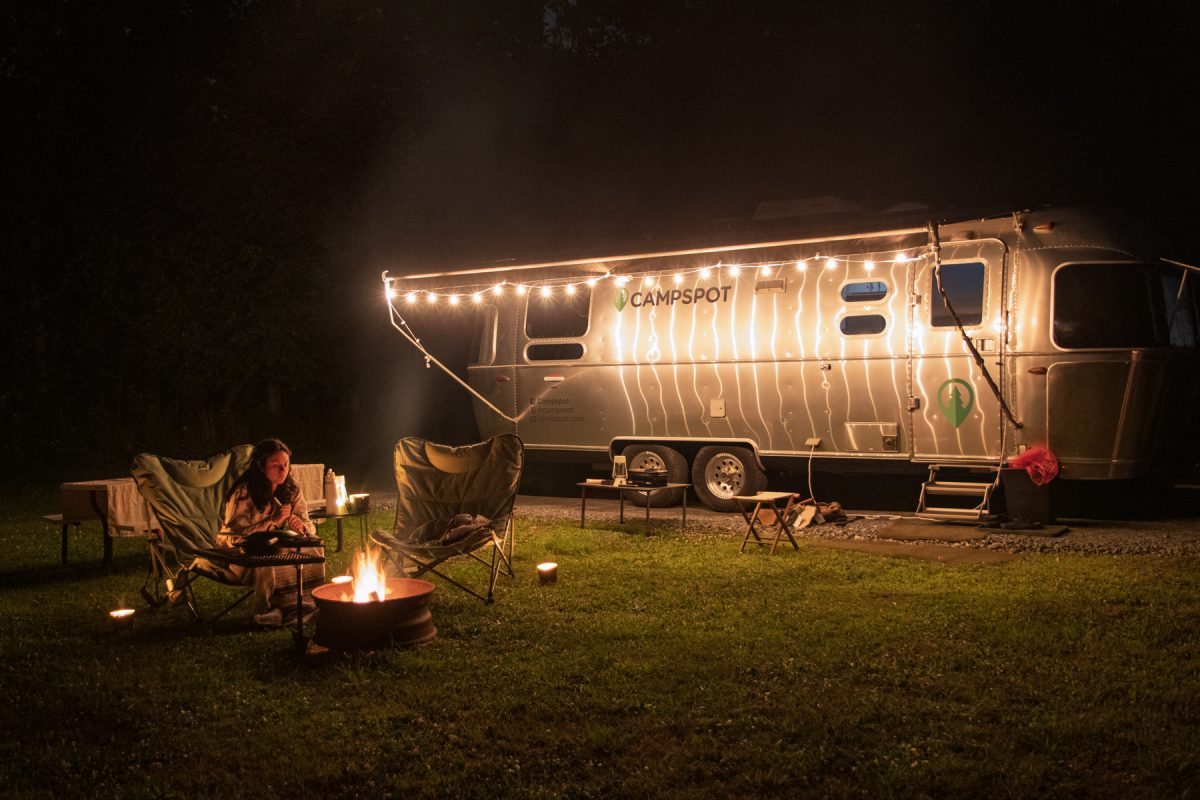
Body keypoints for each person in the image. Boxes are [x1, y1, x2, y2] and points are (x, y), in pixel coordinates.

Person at [219, 438, 325, 627]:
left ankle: (305, 605)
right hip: (245, 553)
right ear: (261, 466)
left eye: (285, 465)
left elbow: (308, 525)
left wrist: (300, 526)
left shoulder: (291, 489)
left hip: (282, 546)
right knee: (268, 563)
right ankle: (268, 610)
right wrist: (273, 521)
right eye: (276, 465)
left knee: (315, 551)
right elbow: (234, 536)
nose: (283, 470)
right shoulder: (244, 492)